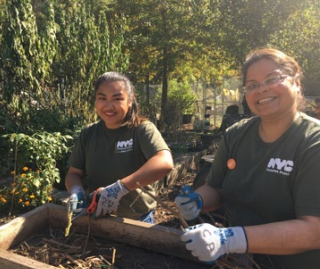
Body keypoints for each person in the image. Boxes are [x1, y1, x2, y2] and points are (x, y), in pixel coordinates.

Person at [175, 48, 320, 268]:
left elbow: (314, 231)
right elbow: (216, 187)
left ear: (297, 83)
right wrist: (198, 200)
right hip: (239, 261)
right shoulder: (236, 134)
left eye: (272, 79)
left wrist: (229, 239)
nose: (262, 89)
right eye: (252, 85)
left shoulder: (312, 141)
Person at [66, 71, 173, 223]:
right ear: (96, 100)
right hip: (98, 217)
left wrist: (119, 188)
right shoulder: (88, 133)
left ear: (130, 100)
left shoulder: (141, 129)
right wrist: (76, 191)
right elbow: (74, 173)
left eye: (117, 99)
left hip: (137, 219)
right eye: (102, 98)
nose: (109, 106)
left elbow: (164, 162)